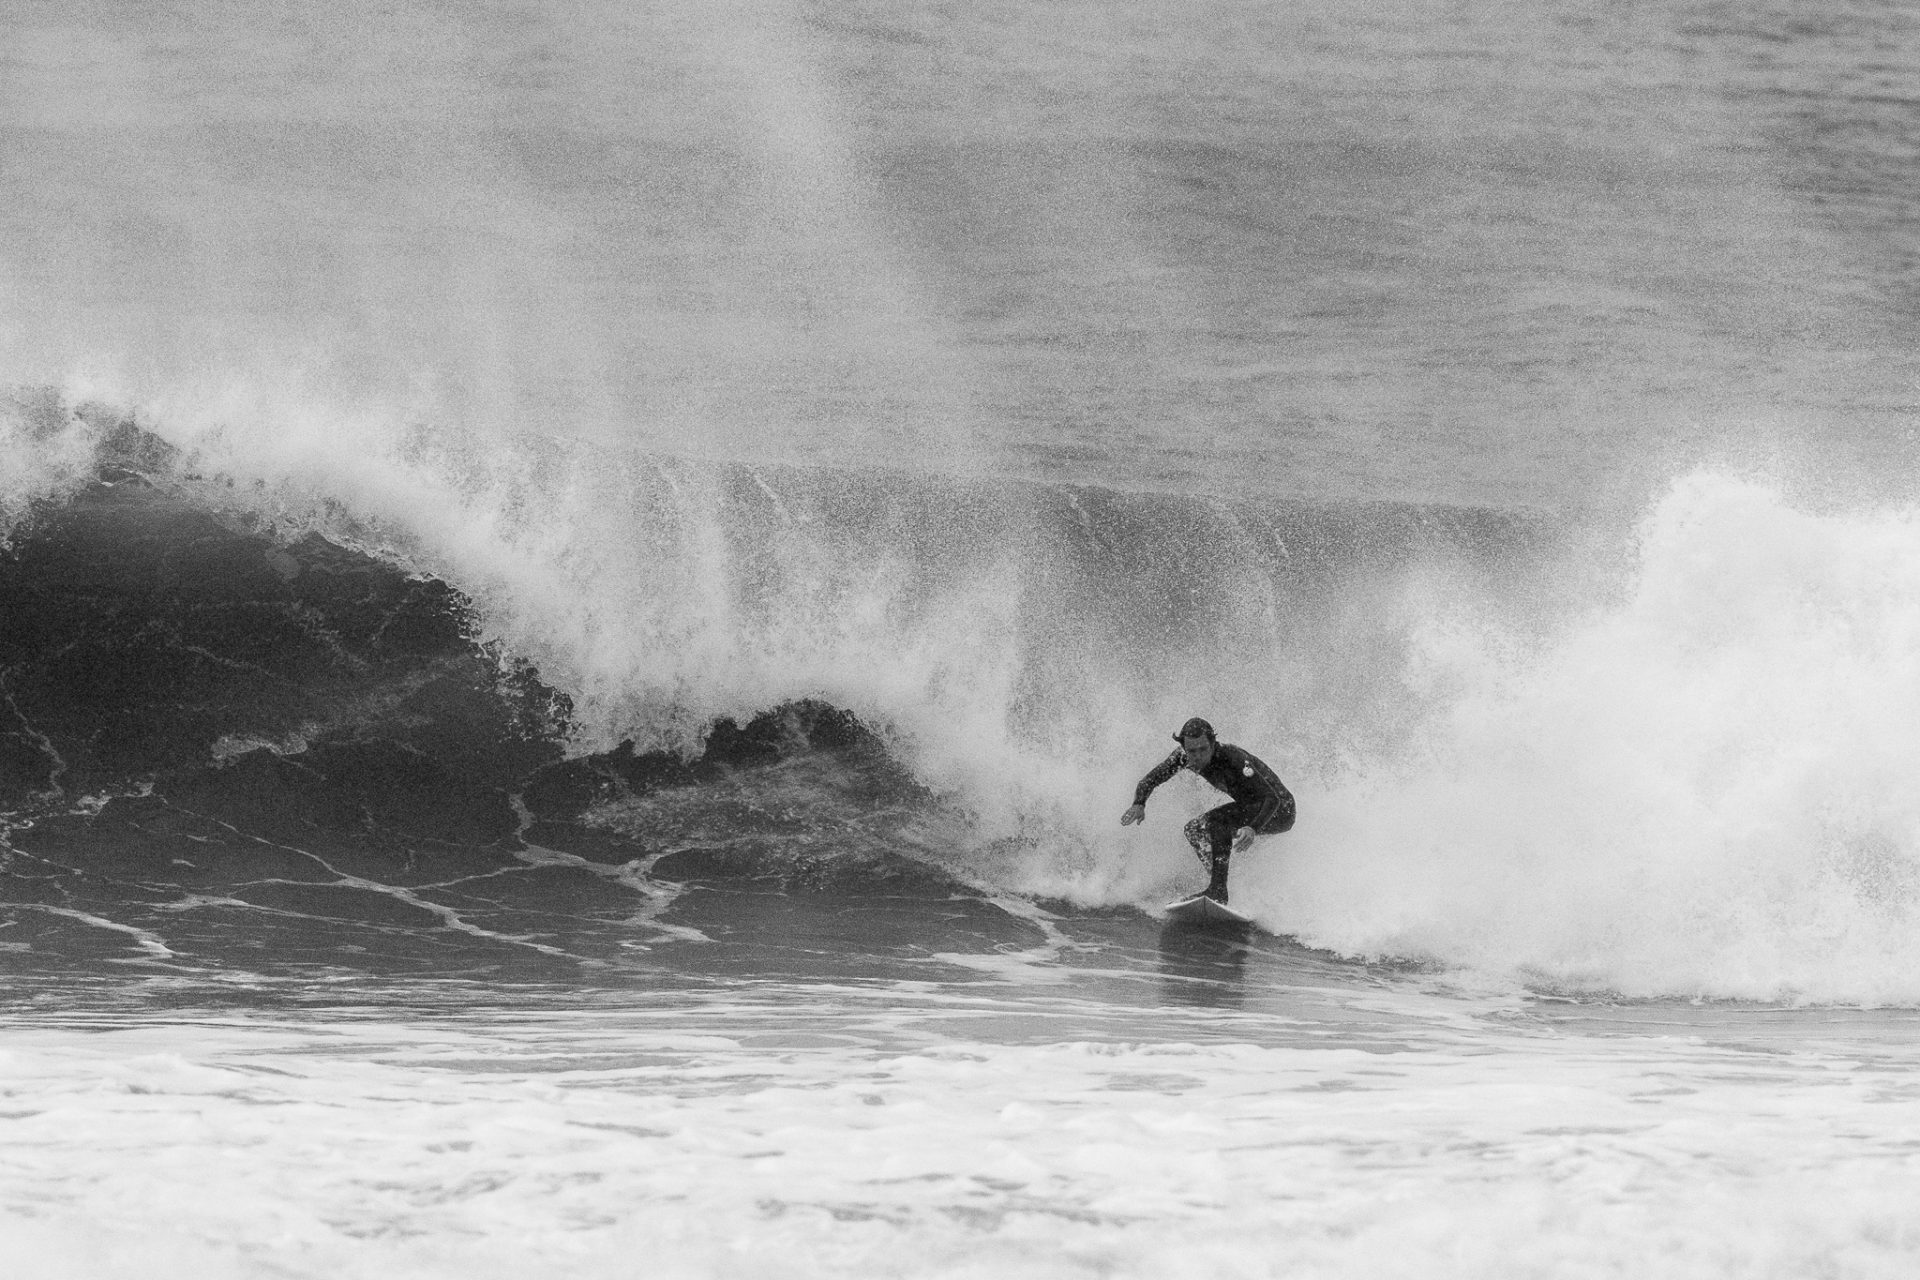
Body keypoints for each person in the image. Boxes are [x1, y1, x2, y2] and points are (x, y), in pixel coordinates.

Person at [1120, 716, 1294, 904]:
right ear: (1185, 748)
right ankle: (1223, 882)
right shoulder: (1183, 758)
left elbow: (1271, 798)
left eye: (1203, 749)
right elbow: (1149, 780)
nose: (1198, 756)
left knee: (1218, 822)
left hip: (1279, 810)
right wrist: (1139, 803)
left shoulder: (1233, 758)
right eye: (1192, 751)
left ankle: (1218, 891)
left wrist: (1252, 828)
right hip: (1251, 808)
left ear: (1212, 744)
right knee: (1194, 829)